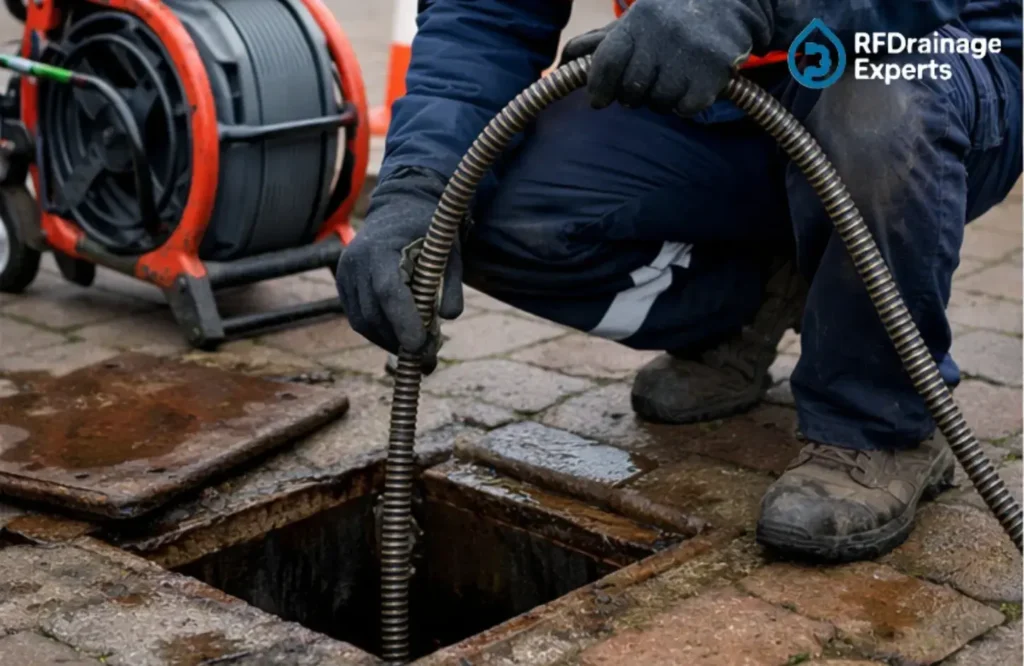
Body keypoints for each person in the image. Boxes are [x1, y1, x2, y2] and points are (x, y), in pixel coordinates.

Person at [336, 0, 1022, 561]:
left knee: (877, 110)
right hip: (717, 76)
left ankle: (880, 423)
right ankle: (760, 298)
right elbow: (486, 13)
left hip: (930, 53)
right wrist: (418, 186)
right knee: (489, 199)